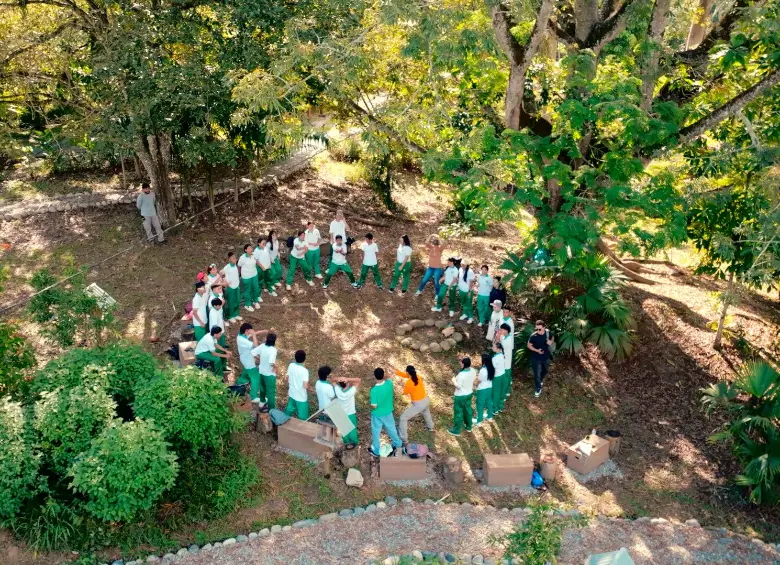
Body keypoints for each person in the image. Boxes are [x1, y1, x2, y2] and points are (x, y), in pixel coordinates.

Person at [393, 365, 434, 444]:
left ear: (408, 372)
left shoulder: (409, 383)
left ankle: (403, 438)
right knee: (426, 412)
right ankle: (431, 426)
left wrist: (400, 387)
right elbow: (407, 375)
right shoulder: (417, 376)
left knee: (403, 418)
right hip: (426, 400)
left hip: (419, 404)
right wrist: (397, 372)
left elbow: (404, 393)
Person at [235, 323, 273, 402]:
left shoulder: (241, 335)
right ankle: (254, 396)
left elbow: (251, 334)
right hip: (248, 360)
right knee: (256, 377)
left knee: (247, 371)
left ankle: (241, 381)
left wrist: (262, 331)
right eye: (250, 331)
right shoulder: (242, 340)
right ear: (246, 331)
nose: (251, 333)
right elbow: (255, 345)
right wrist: (254, 335)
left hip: (245, 358)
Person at [369, 368, 402, 457]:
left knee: (376, 432)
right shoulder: (389, 384)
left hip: (377, 414)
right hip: (388, 412)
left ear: (374, 376)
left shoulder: (374, 390)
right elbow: (388, 378)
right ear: (383, 375)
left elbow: (374, 405)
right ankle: (398, 444)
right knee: (391, 429)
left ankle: (376, 450)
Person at [448, 357, 476, 436]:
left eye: (461, 362)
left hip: (461, 395)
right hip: (469, 393)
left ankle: (456, 430)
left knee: (458, 412)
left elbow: (458, 386)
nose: (460, 363)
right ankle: (468, 426)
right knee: (467, 410)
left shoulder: (461, 374)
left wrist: (454, 381)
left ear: (463, 364)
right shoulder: (473, 371)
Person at [528, 319, 554, 398]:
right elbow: (528, 345)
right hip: (536, 357)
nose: (538, 330)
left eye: (539, 329)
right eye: (536, 329)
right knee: (537, 374)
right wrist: (536, 350)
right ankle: (538, 388)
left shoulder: (547, 332)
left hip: (546, 356)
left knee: (545, 370)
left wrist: (551, 341)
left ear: (544, 328)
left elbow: (552, 337)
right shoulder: (534, 336)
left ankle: (540, 381)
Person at [252, 332, 279, 408]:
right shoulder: (273, 350)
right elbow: (271, 362)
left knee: (262, 388)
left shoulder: (262, 346)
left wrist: (260, 359)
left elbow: (253, 352)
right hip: (269, 374)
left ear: (267, 339)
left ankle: (262, 401)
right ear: (274, 341)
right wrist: (276, 367)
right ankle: (271, 408)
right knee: (270, 392)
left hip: (261, 371)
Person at [335, 376, 362, 446]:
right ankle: (354, 442)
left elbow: (332, 380)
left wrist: (340, 379)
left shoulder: (338, 390)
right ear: (347, 384)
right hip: (351, 413)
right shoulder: (351, 391)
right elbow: (359, 380)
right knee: (352, 430)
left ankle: (346, 442)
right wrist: (348, 379)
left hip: (342, 413)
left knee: (344, 430)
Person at [285, 350, 311, 419]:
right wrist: (311, 389)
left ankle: (284, 420)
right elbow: (305, 386)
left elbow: (287, 378)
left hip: (292, 392)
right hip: (301, 396)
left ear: (295, 357)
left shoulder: (291, 365)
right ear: (304, 359)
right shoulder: (305, 371)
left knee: (289, 409)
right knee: (303, 416)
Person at [238, 243, 260, 311]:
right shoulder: (242, 258)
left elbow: (256, 261)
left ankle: (255, 301)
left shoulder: (254, 255)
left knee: (255, 288)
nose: (251, 249)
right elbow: (239, 266)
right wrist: (239, 275)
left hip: (254, 274)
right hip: (246, 276)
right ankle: (247, 305)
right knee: (247, 290)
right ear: (245, 250)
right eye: (249, 248)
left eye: (251, 248)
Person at [222, 252, 242, 323]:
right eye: (233, 258)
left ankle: (235, 314)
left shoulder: (235, 266)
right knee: (231, 301)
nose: (235, 259)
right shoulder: (227, 267)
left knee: (237, 300)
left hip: (236, 286)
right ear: (229, 259)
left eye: (235, 258)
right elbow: (221, 273)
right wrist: (225, 282)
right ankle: (230, 316)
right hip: (230, 287)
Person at [475, 353, 495, 425]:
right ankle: (490, 417)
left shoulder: (482, 370)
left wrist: (475, 386)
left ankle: (479, 421)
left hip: (482, 389)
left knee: (480, 404)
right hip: (489, 388)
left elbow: (479, 381)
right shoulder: (492, 368)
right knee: (489, 402)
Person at [499, 322, 514, 399]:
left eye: (502, 329)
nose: (500, 330)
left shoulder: (508, 339)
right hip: (506, 361)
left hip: (506, 362)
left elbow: (502, 346)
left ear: (506, 330)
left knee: (506, 378)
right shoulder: (507, 337)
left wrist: (499, 336)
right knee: (507, 377)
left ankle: (505, 393)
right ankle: (507, 391)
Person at [491, 342, 506, 414]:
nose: (492, 348)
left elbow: (492, 369)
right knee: (501, 392)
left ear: (498, 349)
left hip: (497, 377)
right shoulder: (502, 354)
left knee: (496, 393)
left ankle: (495, 409)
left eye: (493, 347)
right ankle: (501, 406)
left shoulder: (495, 358)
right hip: (503, 375)